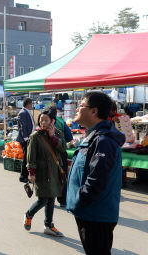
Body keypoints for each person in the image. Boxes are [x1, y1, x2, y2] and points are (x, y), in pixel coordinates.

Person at [67, 92, 125, 255]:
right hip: (89, 212)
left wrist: (80, 199)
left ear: (94, 111)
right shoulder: (92, 137)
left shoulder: (103, 141)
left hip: (96, 215)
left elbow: (96, 180)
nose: (77, 108)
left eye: (81, 105)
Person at [23, 107, 66, 237]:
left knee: (52, 198)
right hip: (41, 173)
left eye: (46, 120)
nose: (43, 123)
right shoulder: (35, 136)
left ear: (52, 121)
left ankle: (48, 225)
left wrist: (53, 137)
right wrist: (31, 172)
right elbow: (30, 156)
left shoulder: (57, 133)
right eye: (41, 120)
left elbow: (63, 147)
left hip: (55, 171)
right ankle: (29, 214)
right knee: (43, 199)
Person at [16, 98, 35, 183]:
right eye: (31, 104)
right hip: (25, 139)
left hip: (28, 137)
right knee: (26, 158)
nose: (32, 105)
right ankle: (23, 176)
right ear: (28, 104)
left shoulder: (27, 111)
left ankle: (25, 175)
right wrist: (26, 138)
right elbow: (23, 127)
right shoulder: (23, 112)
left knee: (27, 157)